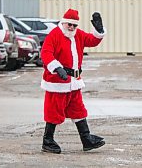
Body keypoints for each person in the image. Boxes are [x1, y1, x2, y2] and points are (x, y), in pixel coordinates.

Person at [40, 8, 105, 154]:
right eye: (69, 24)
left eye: (74, 25)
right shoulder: (54, 35)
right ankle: (47, 141)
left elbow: (92, 40)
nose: (71, 27)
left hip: (74, 81)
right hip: (57, 81)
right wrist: (57, 68)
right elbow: (46, 53)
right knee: (54, 111)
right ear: (63, 22)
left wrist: (99, 30)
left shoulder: (78, 35)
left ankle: (86, 139)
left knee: (78, 110)